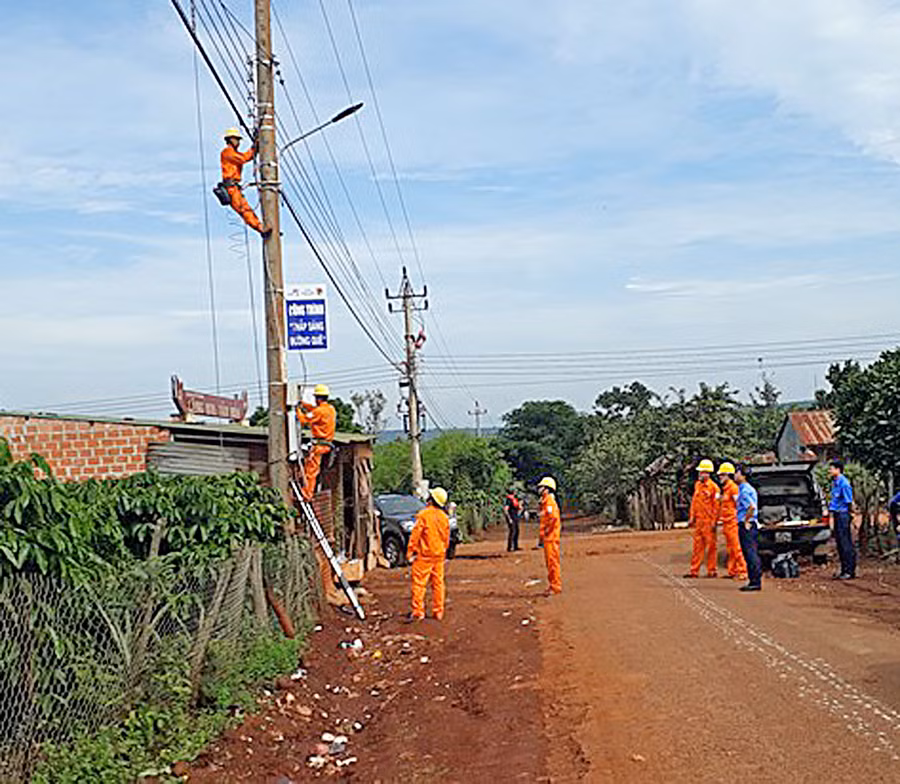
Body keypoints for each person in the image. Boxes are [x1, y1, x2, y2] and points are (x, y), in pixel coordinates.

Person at [406, 487, 451, 621]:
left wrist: (410, 551)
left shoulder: (424, 515)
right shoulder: (444, 518)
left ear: (431, 499)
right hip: (439, 555)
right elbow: (446, 538)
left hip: (424, 556)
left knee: (419, 584)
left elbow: (415, 535)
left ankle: (418, 612)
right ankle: (438, 612)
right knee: (438, 584)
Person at [219, 128, 270, 235]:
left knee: (245, 209)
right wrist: (254, 146)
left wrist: (255, 146)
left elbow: (246, 157)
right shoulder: (227, 152)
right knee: (244, 209)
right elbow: (243, 158)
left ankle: (261, 228)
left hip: (234, 188)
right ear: (230, 139)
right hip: (231, 188)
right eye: (236, 139)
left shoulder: (233, 153)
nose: (238, 142)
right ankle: (260, 228)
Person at [296, 384, 336, 501]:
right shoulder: (330, 409)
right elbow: (314, 410)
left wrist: (296, 409)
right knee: (312, 470)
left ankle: (307, 494)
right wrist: (302, 404)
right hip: (326, 444)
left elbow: (303, 420)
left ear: (318, 398)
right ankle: (307, 491)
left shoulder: (319, 412)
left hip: (319, 445)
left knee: (311, 472)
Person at [685, 459, 719, 578]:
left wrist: (714, 522)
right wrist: (692, 517)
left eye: (701, 472)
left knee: (711, 547)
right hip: (699, 521)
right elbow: (694, 502)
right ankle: (694, 571)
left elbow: (716, 506)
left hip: (709, 522)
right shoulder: (697, 485)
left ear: (707, 473)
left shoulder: (714, 488)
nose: (699, 474)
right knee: (697, 547)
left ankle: (712, 570)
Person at [717, 462, 748, 580]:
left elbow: (739, 505)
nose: (720, 477)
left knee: (736, 547)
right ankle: (733, 571)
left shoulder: (733, 489)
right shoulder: (726, 489)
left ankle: (743, 571)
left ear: (728, 475)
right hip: (727, 522)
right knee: (730, 548)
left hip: (733, 523)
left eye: (722, 475)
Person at [735, 464, 762, 592]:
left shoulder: (745, 490)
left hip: (747, 524)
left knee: (749, 552)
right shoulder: (746, 488)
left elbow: (751, 507)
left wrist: (746, 520)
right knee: (751, 551)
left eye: (737, 472)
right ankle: (754, 580)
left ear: (742, 475)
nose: (735, 475)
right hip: (751, 523)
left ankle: (755, 581)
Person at [829, 460, 856, 579]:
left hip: (843, 515)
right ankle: (844, 569)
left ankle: (850, 571)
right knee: (840, 543)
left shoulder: (844, 484)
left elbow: (849, 502)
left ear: (838, 470)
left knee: (846, 543)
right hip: (837, 514)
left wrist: (851, 515)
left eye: (831, 469)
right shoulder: (835, 483)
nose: (829, 471)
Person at [537, 477, 562, 595]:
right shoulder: (545, 502)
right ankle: (553, 585)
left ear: (547, 489)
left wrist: (546, 532)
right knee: (550, 562)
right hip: (548, 537)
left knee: (552, 562)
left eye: (541, 487)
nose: (539, 489)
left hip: (551, 537)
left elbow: (552, 519)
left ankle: (555, 586)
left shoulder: (549, 503)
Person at [504, 488, 523, 552]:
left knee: (517, 531)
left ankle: (515, 546)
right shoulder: (509, 499)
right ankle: (510, 547)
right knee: (512, 531)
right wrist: (509, 519)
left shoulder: (514, 499)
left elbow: (519, 508)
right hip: (511, 517)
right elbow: (506, 510)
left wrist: (520, 505)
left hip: (515, 517)